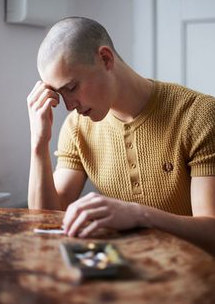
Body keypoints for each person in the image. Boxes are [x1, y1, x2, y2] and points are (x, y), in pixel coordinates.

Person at [27, 16, 215, 255]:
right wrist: (39, 142)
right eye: (59, 94)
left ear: (105, 59)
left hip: (195, 276)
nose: (68, 105)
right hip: (126, 272)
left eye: (71, 87)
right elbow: (46, 220)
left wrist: (137, 214)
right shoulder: (77, 127)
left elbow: (211, 233)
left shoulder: (199, 115)